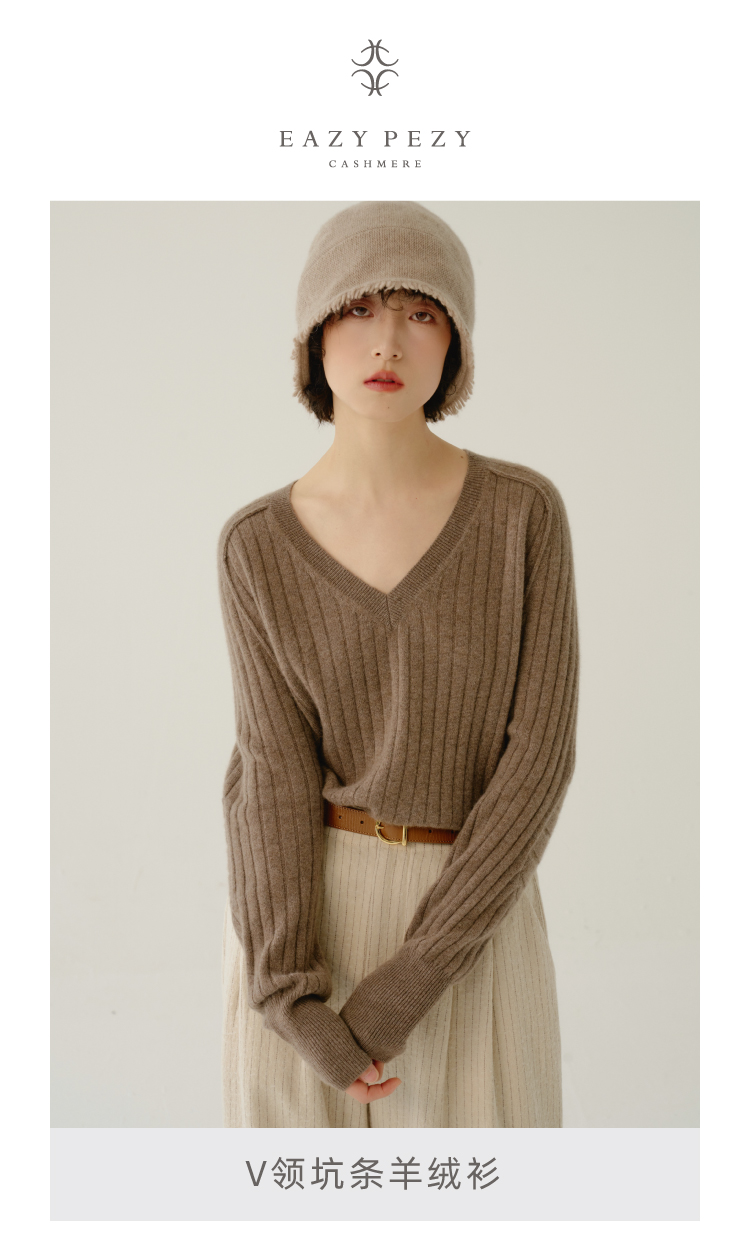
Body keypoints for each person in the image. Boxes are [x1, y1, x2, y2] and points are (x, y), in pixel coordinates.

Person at [217, 201, 580, 1128]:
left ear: (456, 344)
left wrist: (404, 987)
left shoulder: (522, 515)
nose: (387, 340)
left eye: (421, 312)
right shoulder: (256, 544)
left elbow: (537, 760)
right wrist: (289, 995)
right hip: (306, 925)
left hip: (472, 919)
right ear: (314, 334)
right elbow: (270, 773)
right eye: (358, 307)